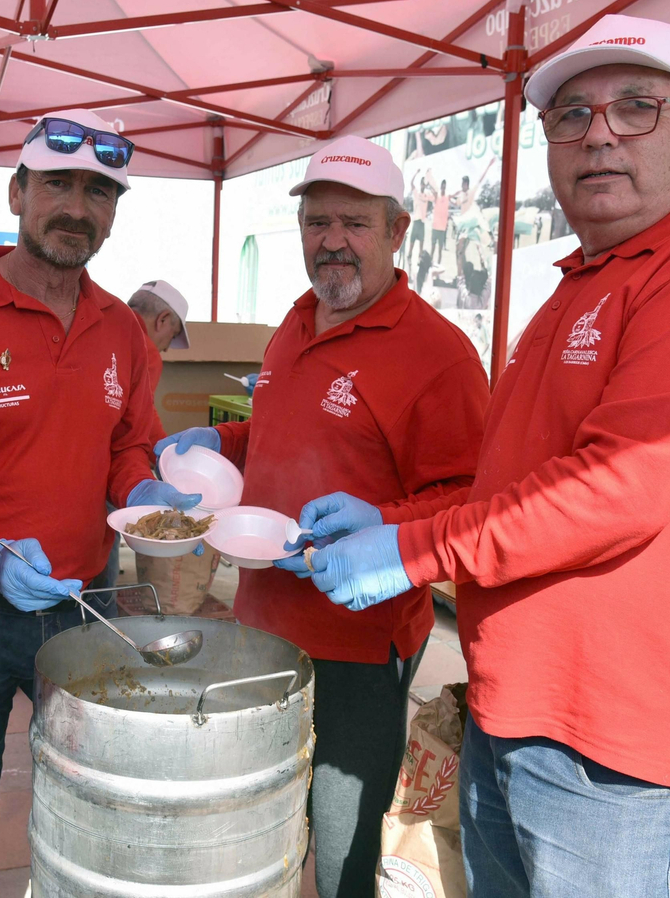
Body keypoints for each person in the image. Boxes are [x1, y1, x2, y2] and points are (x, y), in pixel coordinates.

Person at [285, 17, 670, 897]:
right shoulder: (577, 288)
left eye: (636, 107)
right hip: (519, 715)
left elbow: (617, 489)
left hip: (621, 759)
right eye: (571, 116)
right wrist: (395, 519)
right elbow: (510, 487)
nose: (599, 134)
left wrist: (411, 551)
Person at [159, 134, 489, 898]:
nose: (332, 241)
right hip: (260, 623)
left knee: (341, 851)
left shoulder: (438, 354)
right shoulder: (298, 319)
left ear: (399, 230)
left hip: (356, 652)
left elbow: (469, 498)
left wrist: (382, 525)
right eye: (317, 223)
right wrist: (220, 443)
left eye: (355, 223)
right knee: (260, 824)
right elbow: (277, 433)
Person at [0, 109, 194, 897]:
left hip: (86, 604)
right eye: (58, 184)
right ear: (18, 191)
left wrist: (145, 493)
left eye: (99, 192)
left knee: (95, 800)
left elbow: (128, 442)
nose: (77, 207)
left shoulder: (122, 328)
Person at [126, 278, 190, 403]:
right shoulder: (145, 352)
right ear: (163, 319)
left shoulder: (101, 332)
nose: (166, 349)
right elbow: (139, 418)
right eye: (173, 335)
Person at [431, 179, 452, 264]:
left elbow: (454, 197)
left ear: (445, 187)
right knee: (432, 249)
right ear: (441, 186)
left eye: (444, 186)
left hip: (442, 229)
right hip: (435, 227)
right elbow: (433, 191)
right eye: (442, 186)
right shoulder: (437, 197)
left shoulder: (447, 198)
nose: (443, 187)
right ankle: (429, 266)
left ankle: (438, 266)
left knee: (440, 251)